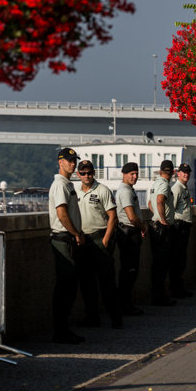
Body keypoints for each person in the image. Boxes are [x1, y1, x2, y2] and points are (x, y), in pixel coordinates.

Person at [75, 160, 122, 328]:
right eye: (83, 173)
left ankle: (116, 319)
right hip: (83, 240)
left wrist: (106, 239)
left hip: (100, 238)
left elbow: (112, 216)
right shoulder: (75, 191)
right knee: (87, 283)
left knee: (107, 282)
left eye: (89, 173)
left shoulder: (102, 190)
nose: (87, 176)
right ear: (78, 174)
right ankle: (92, 317)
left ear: (93, 173)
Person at [47, 147, 86, 344]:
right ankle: (60, 331)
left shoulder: (68, 184)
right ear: (60, 162)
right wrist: (76, 233)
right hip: (63, 239)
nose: (73, 164)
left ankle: (64, 329)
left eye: (74, 160)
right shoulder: (60, 185)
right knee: (64, 286)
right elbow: (62, 214)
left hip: (68, 238)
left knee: (69, 286)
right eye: (69, 161)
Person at [115, 162, 145, 315]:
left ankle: (126, 304)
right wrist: (143, 227)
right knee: (129, 270)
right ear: (124, 174)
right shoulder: (125, 191)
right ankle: (124, 305)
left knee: (131, 271)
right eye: (132, 174)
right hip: (128, 233)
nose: (135, 176)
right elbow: (131, 217)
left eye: (136, 174)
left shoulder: (129, 190)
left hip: (130, 232)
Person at [148, 160, 176, 305]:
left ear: (160, 172)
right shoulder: (164, 184)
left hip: (154, 225)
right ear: (172, 172)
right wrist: (163, 220)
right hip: (161, 228)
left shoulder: (155, 184)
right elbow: (159, 201)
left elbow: (149, 204)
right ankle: (160, 297)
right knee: (162, 264)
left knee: (157, 263)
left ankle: (157, 295)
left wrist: (157, 216)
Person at [169, 163, 195, 298]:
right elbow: (171, 209)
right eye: (183, 172)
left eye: (188, 172)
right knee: (177, 259)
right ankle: (176, 289)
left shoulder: (184, 188)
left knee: (182, 259)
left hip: (185, 226)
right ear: (177, 173)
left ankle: (179, 287)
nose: (186, 174)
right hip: (179, 226)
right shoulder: (177, 189)